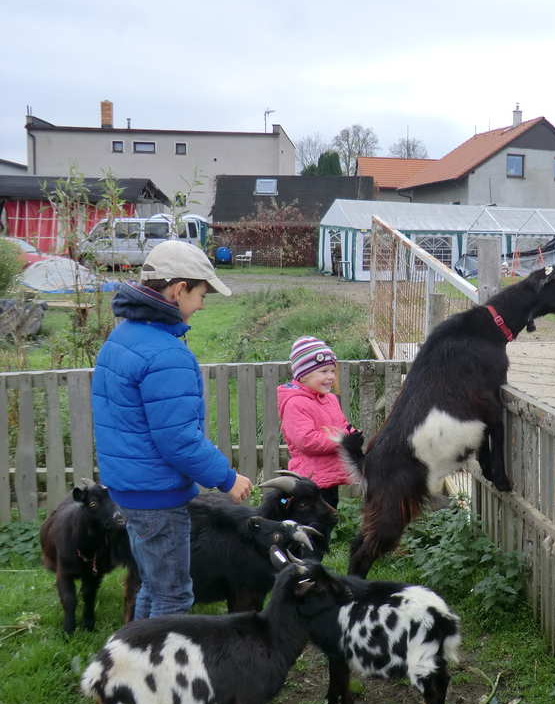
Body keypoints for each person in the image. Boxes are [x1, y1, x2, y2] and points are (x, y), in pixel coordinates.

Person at [92, 241, 253, 619]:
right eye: (201, 294)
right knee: (174, 597)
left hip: (130, 489)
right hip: (157, 495)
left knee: (152, 585)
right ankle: (160, 675)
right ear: (179, 289)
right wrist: (226, 478)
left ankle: (137, 662)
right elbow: (177, 438)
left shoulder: (124, 337)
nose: (202, 305)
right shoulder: (166, 354)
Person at [277, 336, 358, 509]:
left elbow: (341, 425)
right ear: (303, 375)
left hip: (329, 476)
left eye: (332, 371)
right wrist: (342, 441)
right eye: (323, 372)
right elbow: (306, 440)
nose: (330, 377)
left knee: (328, 519)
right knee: (312, 523)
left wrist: (352, 434)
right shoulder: (295, 403)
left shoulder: (330, 399)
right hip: (310, 480)